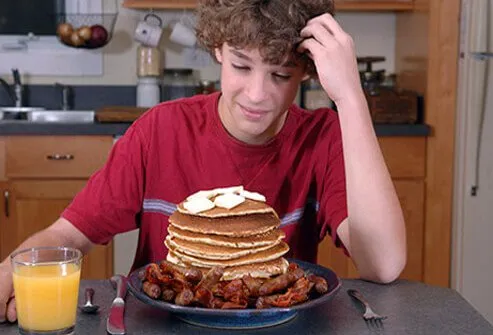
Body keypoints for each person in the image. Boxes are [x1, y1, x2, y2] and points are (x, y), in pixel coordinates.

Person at [0, 0, 406, 323]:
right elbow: (69, 236)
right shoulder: (158, 132)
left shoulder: (321, 138)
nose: (257, 94)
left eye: (281, 75)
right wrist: (10, 272)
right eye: (241, 66)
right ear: (217, 49)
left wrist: (350, 97)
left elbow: (383, 265)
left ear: (305, 71)